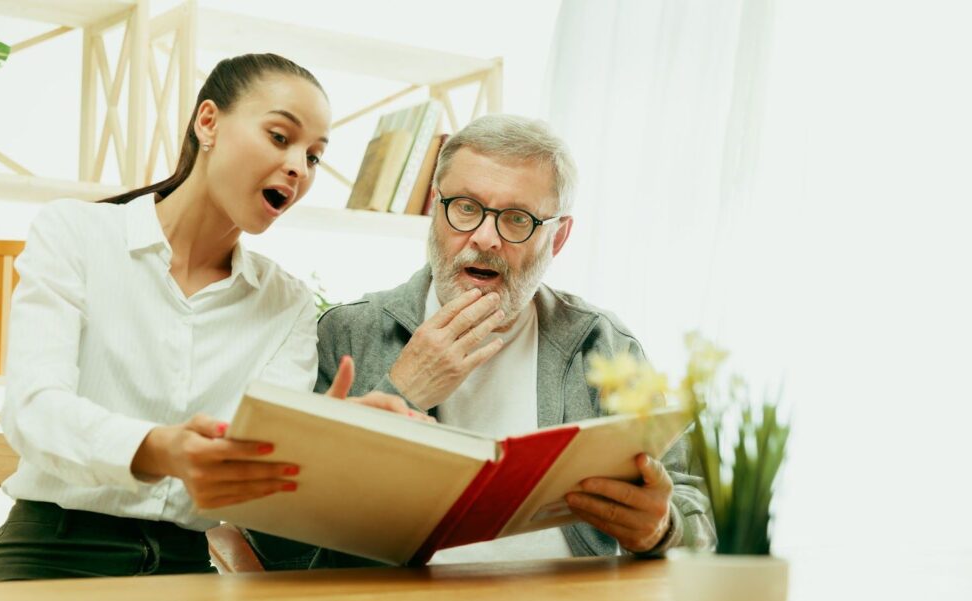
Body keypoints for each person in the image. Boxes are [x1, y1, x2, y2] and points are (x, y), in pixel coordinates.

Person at [0, 53, 413, 583]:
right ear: (209, 123)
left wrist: (332, 438)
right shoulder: (75, 235)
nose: (299, 167)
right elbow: (34, 412)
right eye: (279, 137)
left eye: (314, 157)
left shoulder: (286, 303)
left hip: (184, 567)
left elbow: (257, 463)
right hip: (50, 554)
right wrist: (162, 449)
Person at [246, 114, 716, 570]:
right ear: (435, 208)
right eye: (466, 208)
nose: (486, 237)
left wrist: (662, 529)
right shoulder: (347, 334)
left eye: (516, 219)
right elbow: (282, 548)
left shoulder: (603, 344)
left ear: (558, 238)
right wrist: (402, 391)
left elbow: (699, 513)